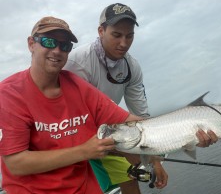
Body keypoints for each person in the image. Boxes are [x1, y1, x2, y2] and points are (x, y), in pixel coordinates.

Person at [64, 3, 218, 194]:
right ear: (101, 31)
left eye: (129, 36)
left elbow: (141, 117)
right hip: (72, 133)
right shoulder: (76, 63)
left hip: (110, 132)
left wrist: (155, 160)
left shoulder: (132, 67)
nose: (123, 43)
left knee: (131, 182)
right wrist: (132, 153)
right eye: (116, 35)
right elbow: (77, 117)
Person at [0, 16, 142, 194]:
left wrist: (182, 130)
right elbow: (16, 163)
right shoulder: (10, 93)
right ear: (31, 44)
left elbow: (128, 121)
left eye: (65, 46)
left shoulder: (77, 86)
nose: (57, 50)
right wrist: (84, 151)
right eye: (49, 42)